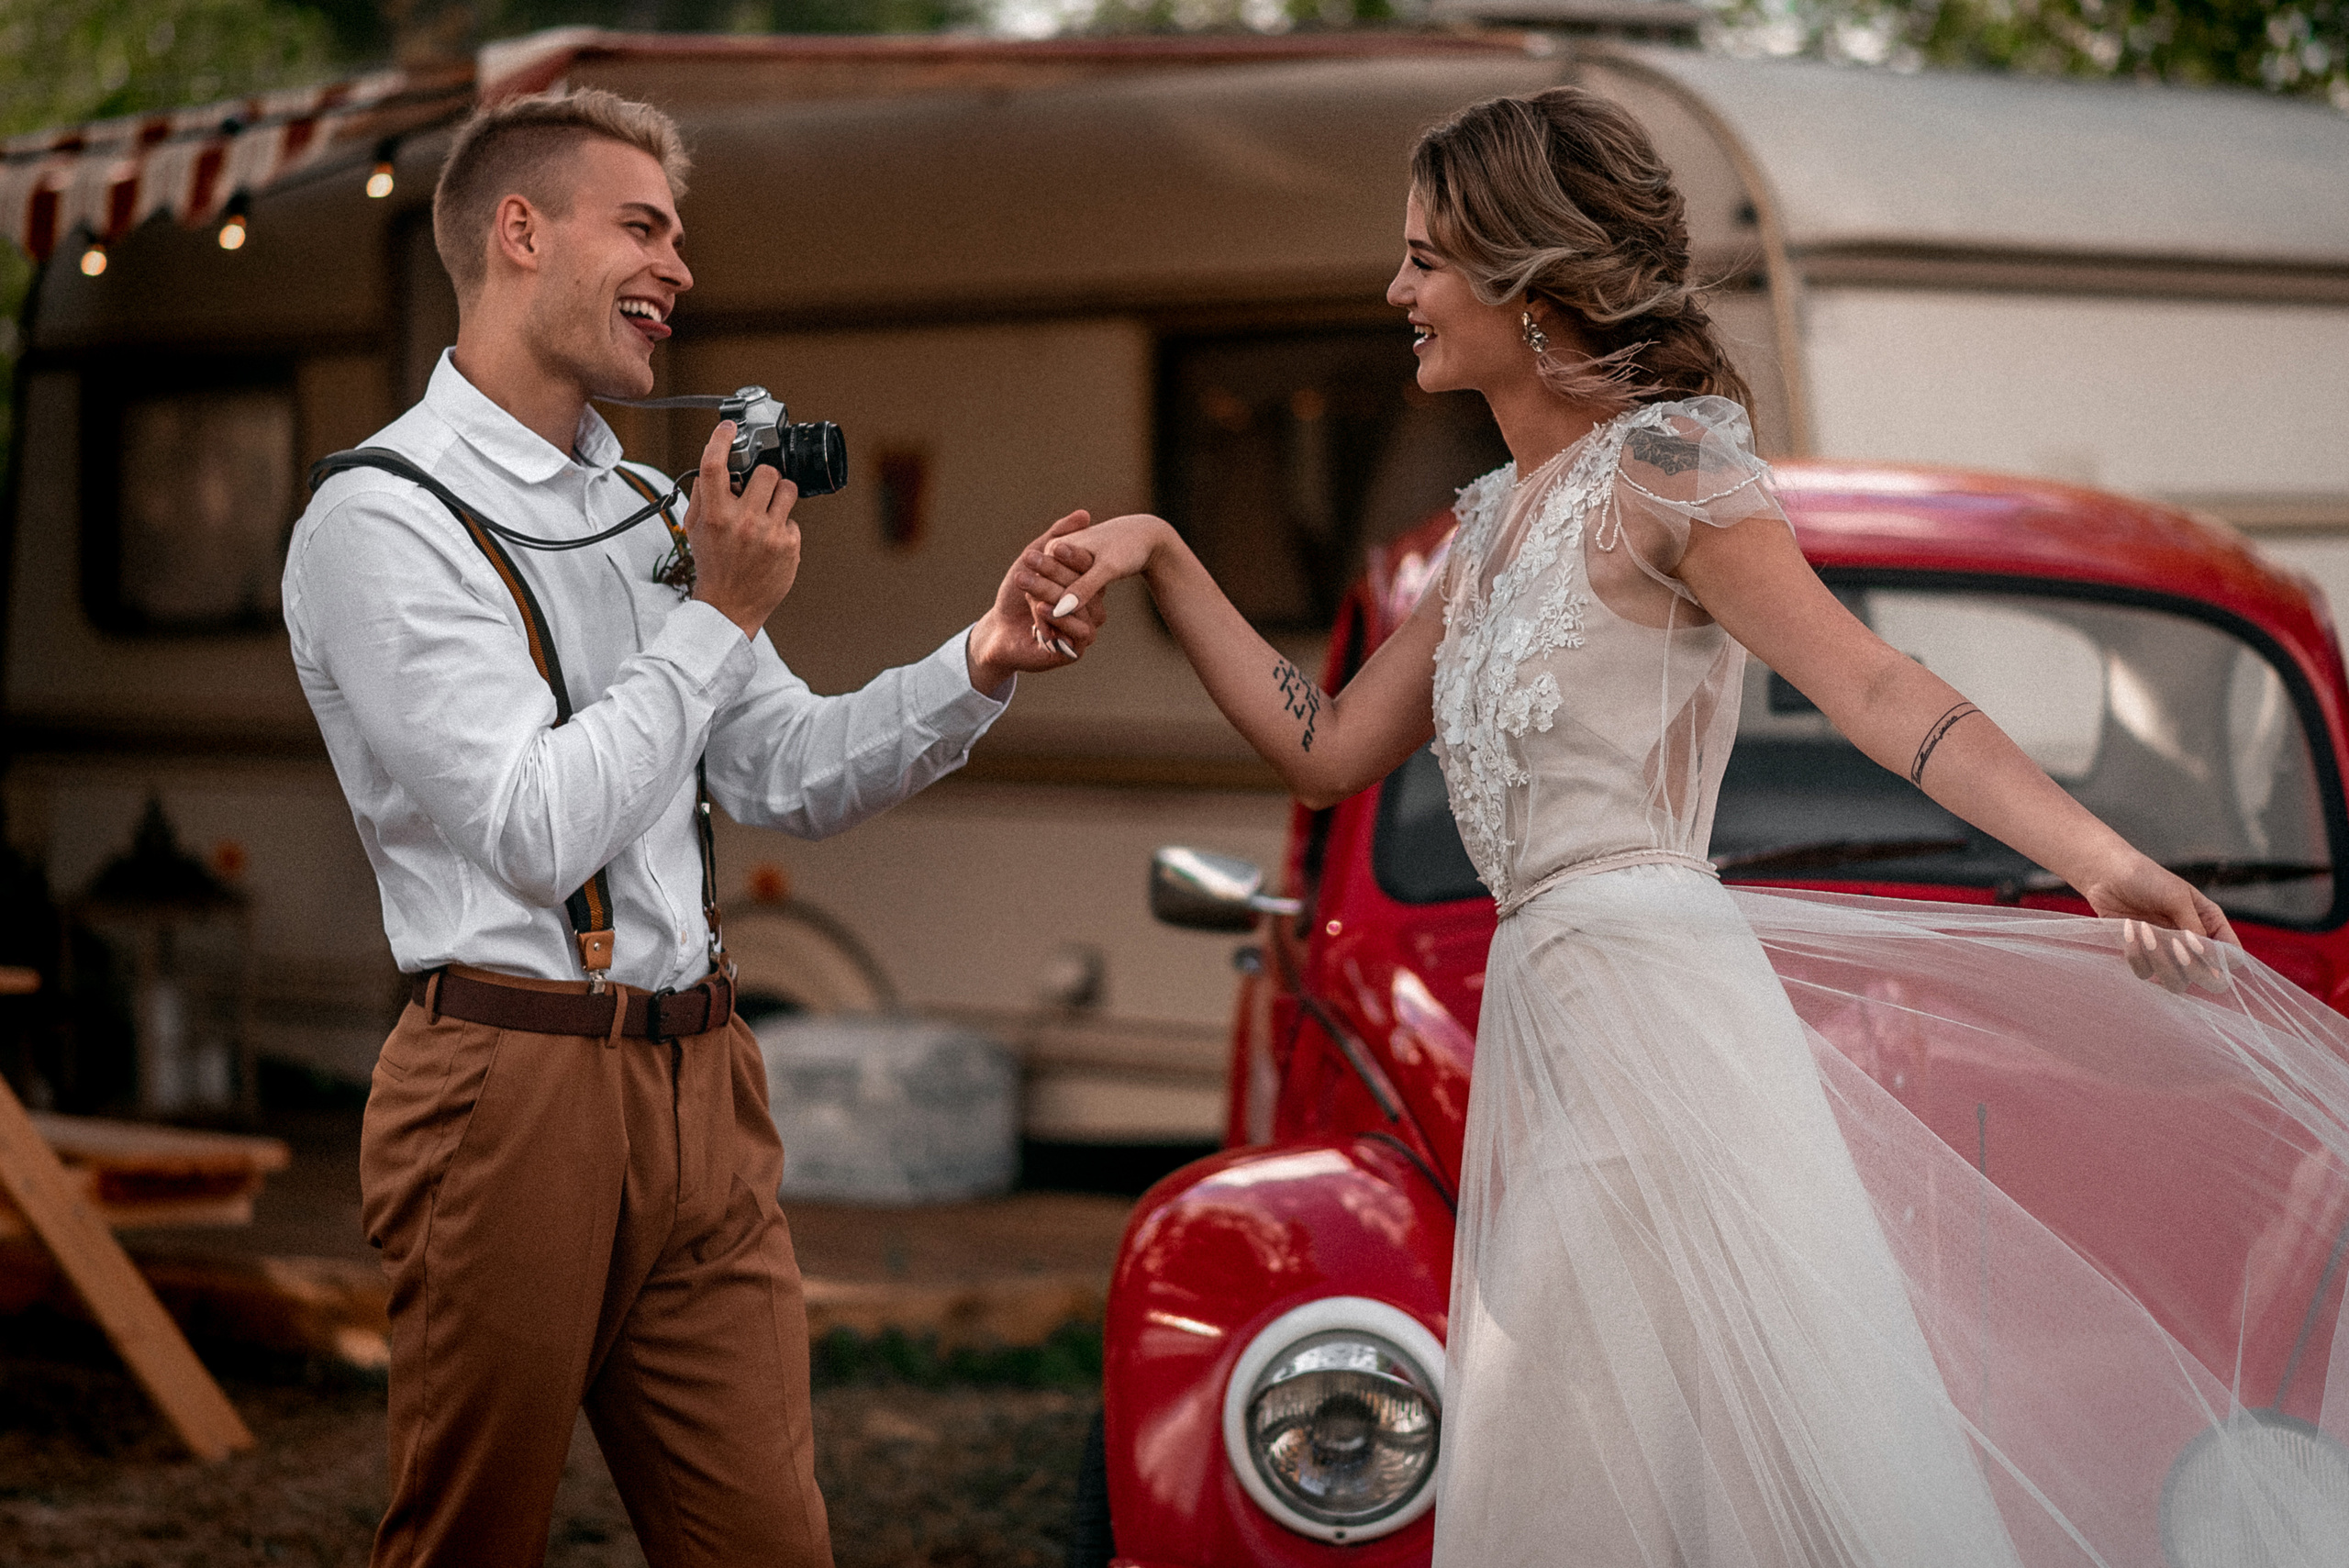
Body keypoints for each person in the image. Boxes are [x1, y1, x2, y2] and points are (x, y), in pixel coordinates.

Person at [1030, 88, 2349, 1563]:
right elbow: (1323, 743)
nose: (1395, 291)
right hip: (1558, 1022)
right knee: (1584, 1447)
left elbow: (1871, 681)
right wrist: (1154, 548)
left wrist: (2099, 858)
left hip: (1657, 1016)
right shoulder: (1492, 525)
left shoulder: (1667, 476)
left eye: (1424, 260)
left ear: (1530, 286)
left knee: (1650, 1451)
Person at [284, 89, 1093, 1566]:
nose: (681, 268)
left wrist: (981, 656)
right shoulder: (380, 519)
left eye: (681, 235)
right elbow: (531, 828)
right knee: (471, 1538)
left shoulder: (655, 501)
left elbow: (787, 769)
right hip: (506, 1089)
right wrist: (716, 613)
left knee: (770, 1540)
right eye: (643, 227)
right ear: (521, 233)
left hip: (706, 1082)